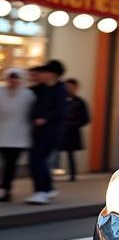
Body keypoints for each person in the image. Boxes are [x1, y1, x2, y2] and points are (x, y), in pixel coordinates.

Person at [25, 59, 67, 204]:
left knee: (36, 159)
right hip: (38, 131)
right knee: (38, 159)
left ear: (53, 74)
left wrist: (45, 118)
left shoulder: (60, 90)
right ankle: (47, 189)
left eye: (45, 72)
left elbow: (61, 111)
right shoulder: (40, 88)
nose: (42, 74)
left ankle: (41, 191)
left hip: (52, 132)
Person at [0, 68, 34, 202]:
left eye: (15, 79)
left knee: (10, 164)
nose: (12, 81)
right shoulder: (1, 92)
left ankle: (6, 189)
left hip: (19, 136)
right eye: (10, 78)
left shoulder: (28, 95)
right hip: (2, 134)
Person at [59, 78, 90, 181]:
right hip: (60, 130)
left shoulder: (80, 102)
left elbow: (86, 118)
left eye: (71, 87)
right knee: (53, 152)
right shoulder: (60, 100)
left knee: (70, 153)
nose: (69, 89)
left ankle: (72, 174)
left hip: (72, 131)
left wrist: (75, 124)